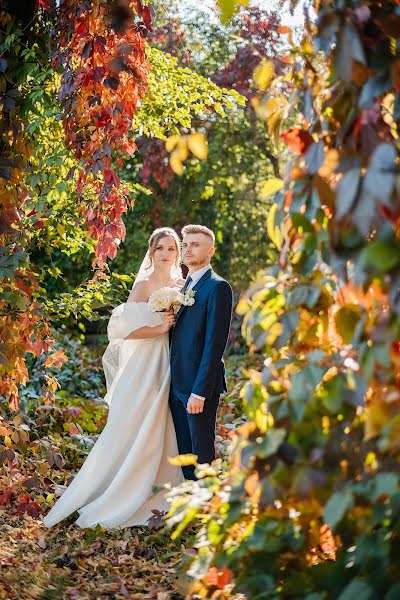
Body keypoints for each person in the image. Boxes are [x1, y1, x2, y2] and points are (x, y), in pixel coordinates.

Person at [43, 227, 184, 529]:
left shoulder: (180, 283)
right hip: (145, 362)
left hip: (170, 361)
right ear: (151, 252)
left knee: (163, 423)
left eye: (171, 249)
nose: (165, 254)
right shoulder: (144, 285)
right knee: (133, 421)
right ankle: (115, 491)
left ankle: (160, 489)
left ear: (177, 253)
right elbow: (124, 332)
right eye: (160, 248)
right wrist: (160, 328)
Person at [169, 224, 233, 480]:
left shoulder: (217, 287)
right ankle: (190, 508)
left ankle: (208, 510)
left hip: (198, 388)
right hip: (177, 385)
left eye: (195, 244)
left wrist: (199, 392)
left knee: (202, 454)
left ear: (211, 251)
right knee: (185, 453)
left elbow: (214, 345)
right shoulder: (184, 287)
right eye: (185, 244)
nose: (187, 249)